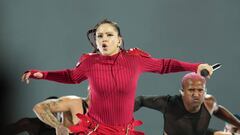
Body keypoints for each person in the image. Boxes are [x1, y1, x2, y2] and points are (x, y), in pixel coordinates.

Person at [21, 19, 213, 135]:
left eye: (109, 35)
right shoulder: (90, 62)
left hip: (125, 131)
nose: (103, 39)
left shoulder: (135, 60)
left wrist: (196, 67)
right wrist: (42, 75)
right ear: (96, 41)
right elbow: (71, 76)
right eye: (99, 36)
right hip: (96, 130)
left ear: (119, 40)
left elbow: (165, 65)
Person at [134, 72, 240, 135]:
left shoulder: (209, 102)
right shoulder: (169, 103)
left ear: (205, 91)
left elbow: (217, 109)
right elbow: (141, 100)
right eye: (191, 90)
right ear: (182, 92)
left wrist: (238, 124)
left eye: (200, 90)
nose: (196, 94)